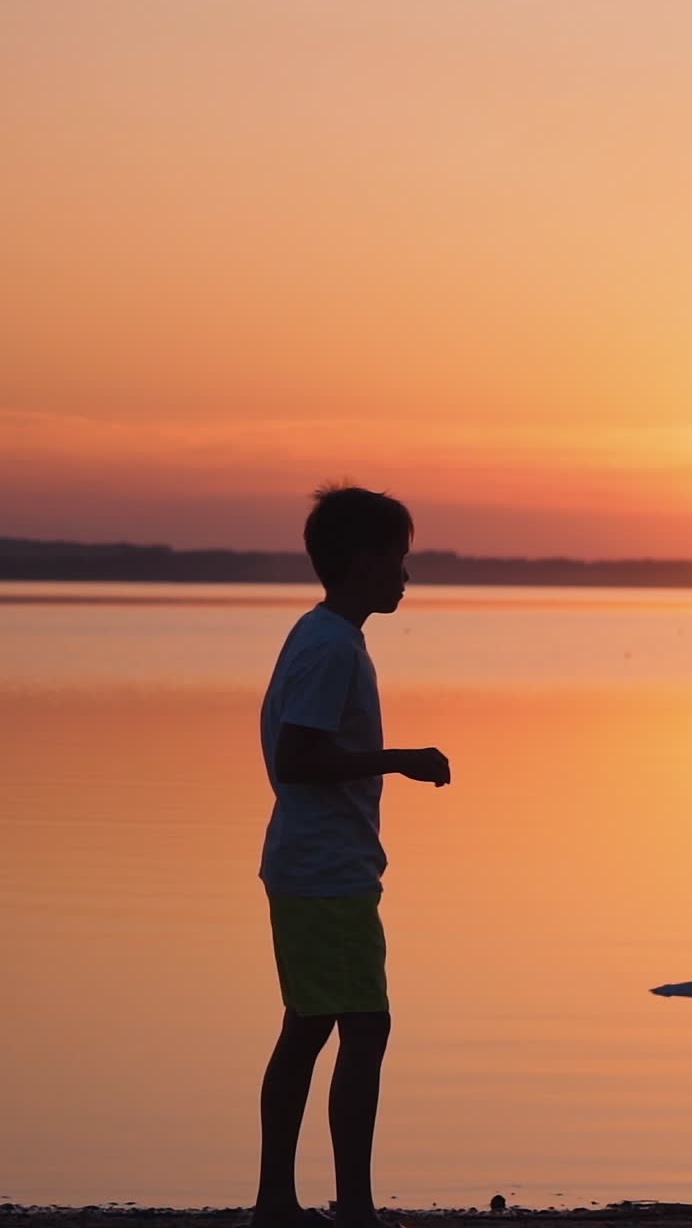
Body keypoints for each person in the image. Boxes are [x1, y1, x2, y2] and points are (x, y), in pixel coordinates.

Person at [251, 484, 450, 1228]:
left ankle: (278, 1204)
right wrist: (399, 758)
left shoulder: (323, 636)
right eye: (398, 559)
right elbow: (299, 757)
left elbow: (301, 753)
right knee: (364, 1027)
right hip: (325, 873)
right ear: (363, 560)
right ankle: (353, 1209)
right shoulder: (331, 645)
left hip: (314, 868)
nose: (405, 574)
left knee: (307, 1027)